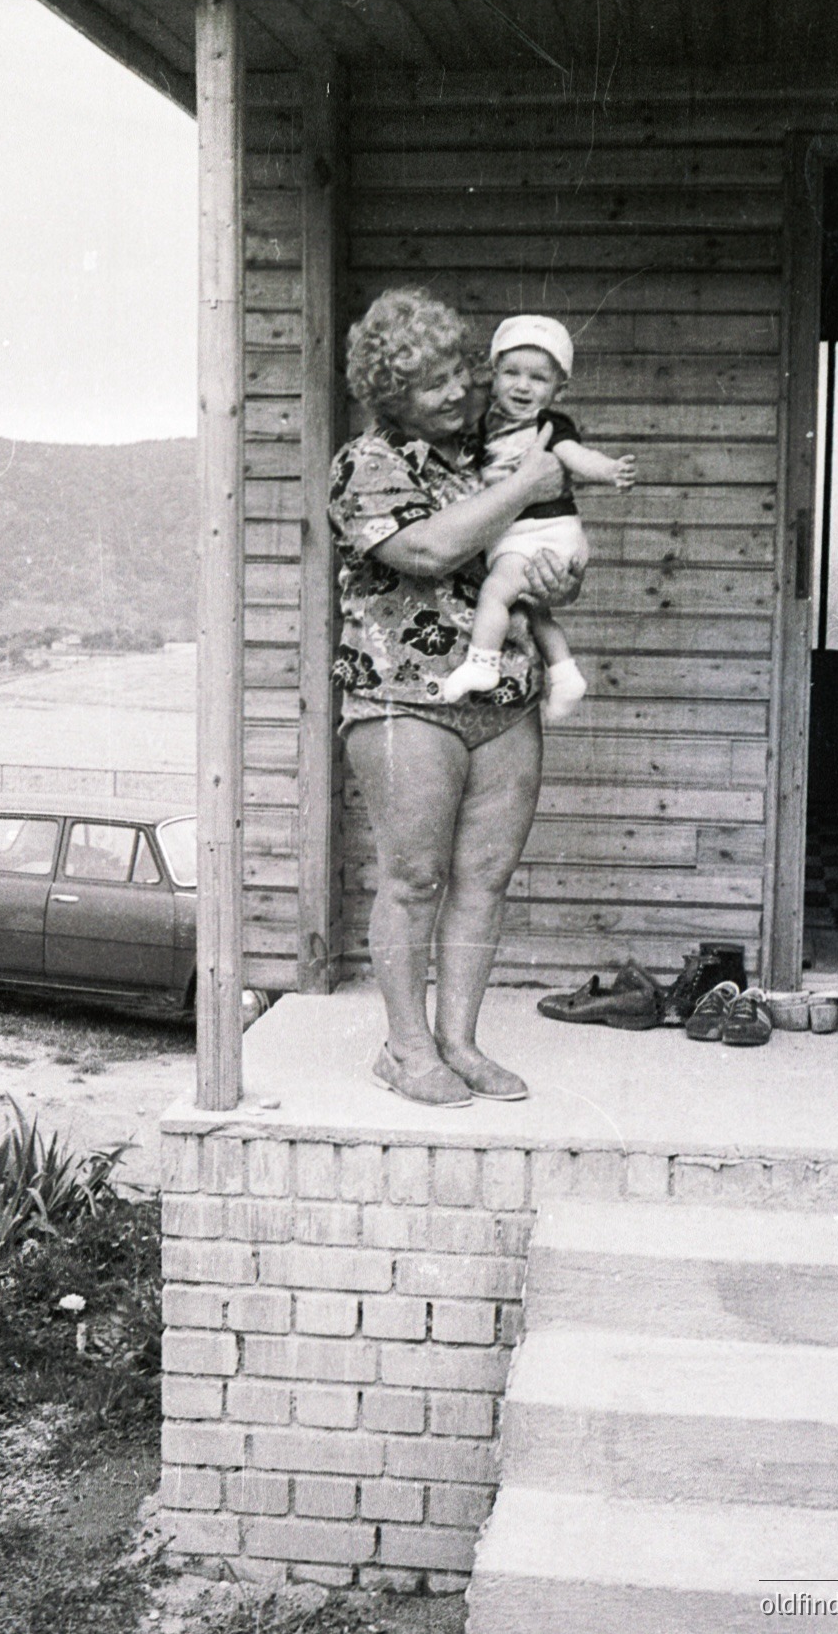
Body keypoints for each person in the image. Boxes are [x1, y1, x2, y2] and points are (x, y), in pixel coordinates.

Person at [329, 287, 584, 1108]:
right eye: (432, 383)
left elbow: (538, 547)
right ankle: (404, 1049)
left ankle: (459, 1042)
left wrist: (561, 572)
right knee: (412, 879)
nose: (456, 392)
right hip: (402, 699)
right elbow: (432, 549)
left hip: (505, 692)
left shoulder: (489, 449)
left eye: (456, 374)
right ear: (390, 393)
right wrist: (527, 483)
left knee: (485, 876)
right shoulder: (365, 465)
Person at [442, 314, 636, 721]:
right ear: (492, 376)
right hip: (534, 532)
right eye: (511, 373)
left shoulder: (546, 424)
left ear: (558, 390)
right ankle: (565, 675)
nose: (522, 386)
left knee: (496, 593)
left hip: (539, 529)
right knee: (535, 612)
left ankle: (481, 665)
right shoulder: (490, 424)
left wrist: (607, 470)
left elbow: (573, 457)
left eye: (538, 378)